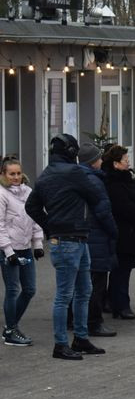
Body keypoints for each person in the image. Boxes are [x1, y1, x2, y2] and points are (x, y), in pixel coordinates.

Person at [24, 134, 108, 359]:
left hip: (64, 239)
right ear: (71, 152)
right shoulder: (75, 172)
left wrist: (49, 225)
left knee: (75, 293)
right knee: (74, 294)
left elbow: (31, 206)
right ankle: (64, 343)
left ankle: (77, 339)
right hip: (75, 237)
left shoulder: (45, 176)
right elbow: (94, 194)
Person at [102, 145, 135, 321]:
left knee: (122, 269)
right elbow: (124, 207)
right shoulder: (114, 183)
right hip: (124, 234)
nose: (128, 161)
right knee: (121, 271)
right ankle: (121, 305)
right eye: (125, 159)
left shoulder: (124, 179)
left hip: (128, 233)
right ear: (116, 163)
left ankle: (113, 302)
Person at [0, 156, 43, 346]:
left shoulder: (28, 191)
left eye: (18, 173)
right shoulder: (1, 194)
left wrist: (38, 244)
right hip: (9, 250)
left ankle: (11, 326)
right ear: (3, 175)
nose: (16, 177)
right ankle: (10, 330)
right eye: (11, 174)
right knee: (12, 289)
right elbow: (0, 226)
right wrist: (9, 252)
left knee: (30, 289)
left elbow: (35, 218)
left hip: (25, 248)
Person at [78, 143, 119, 339]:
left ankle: (75, 319)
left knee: (81, 281)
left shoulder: (77, 177)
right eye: (99, 158)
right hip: (97, 236)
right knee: (97, 281)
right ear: (93, 161)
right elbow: (103, 211)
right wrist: (114, 232)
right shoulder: (94, 181)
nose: (102, 161)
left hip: (84, 234)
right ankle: (94, 322)